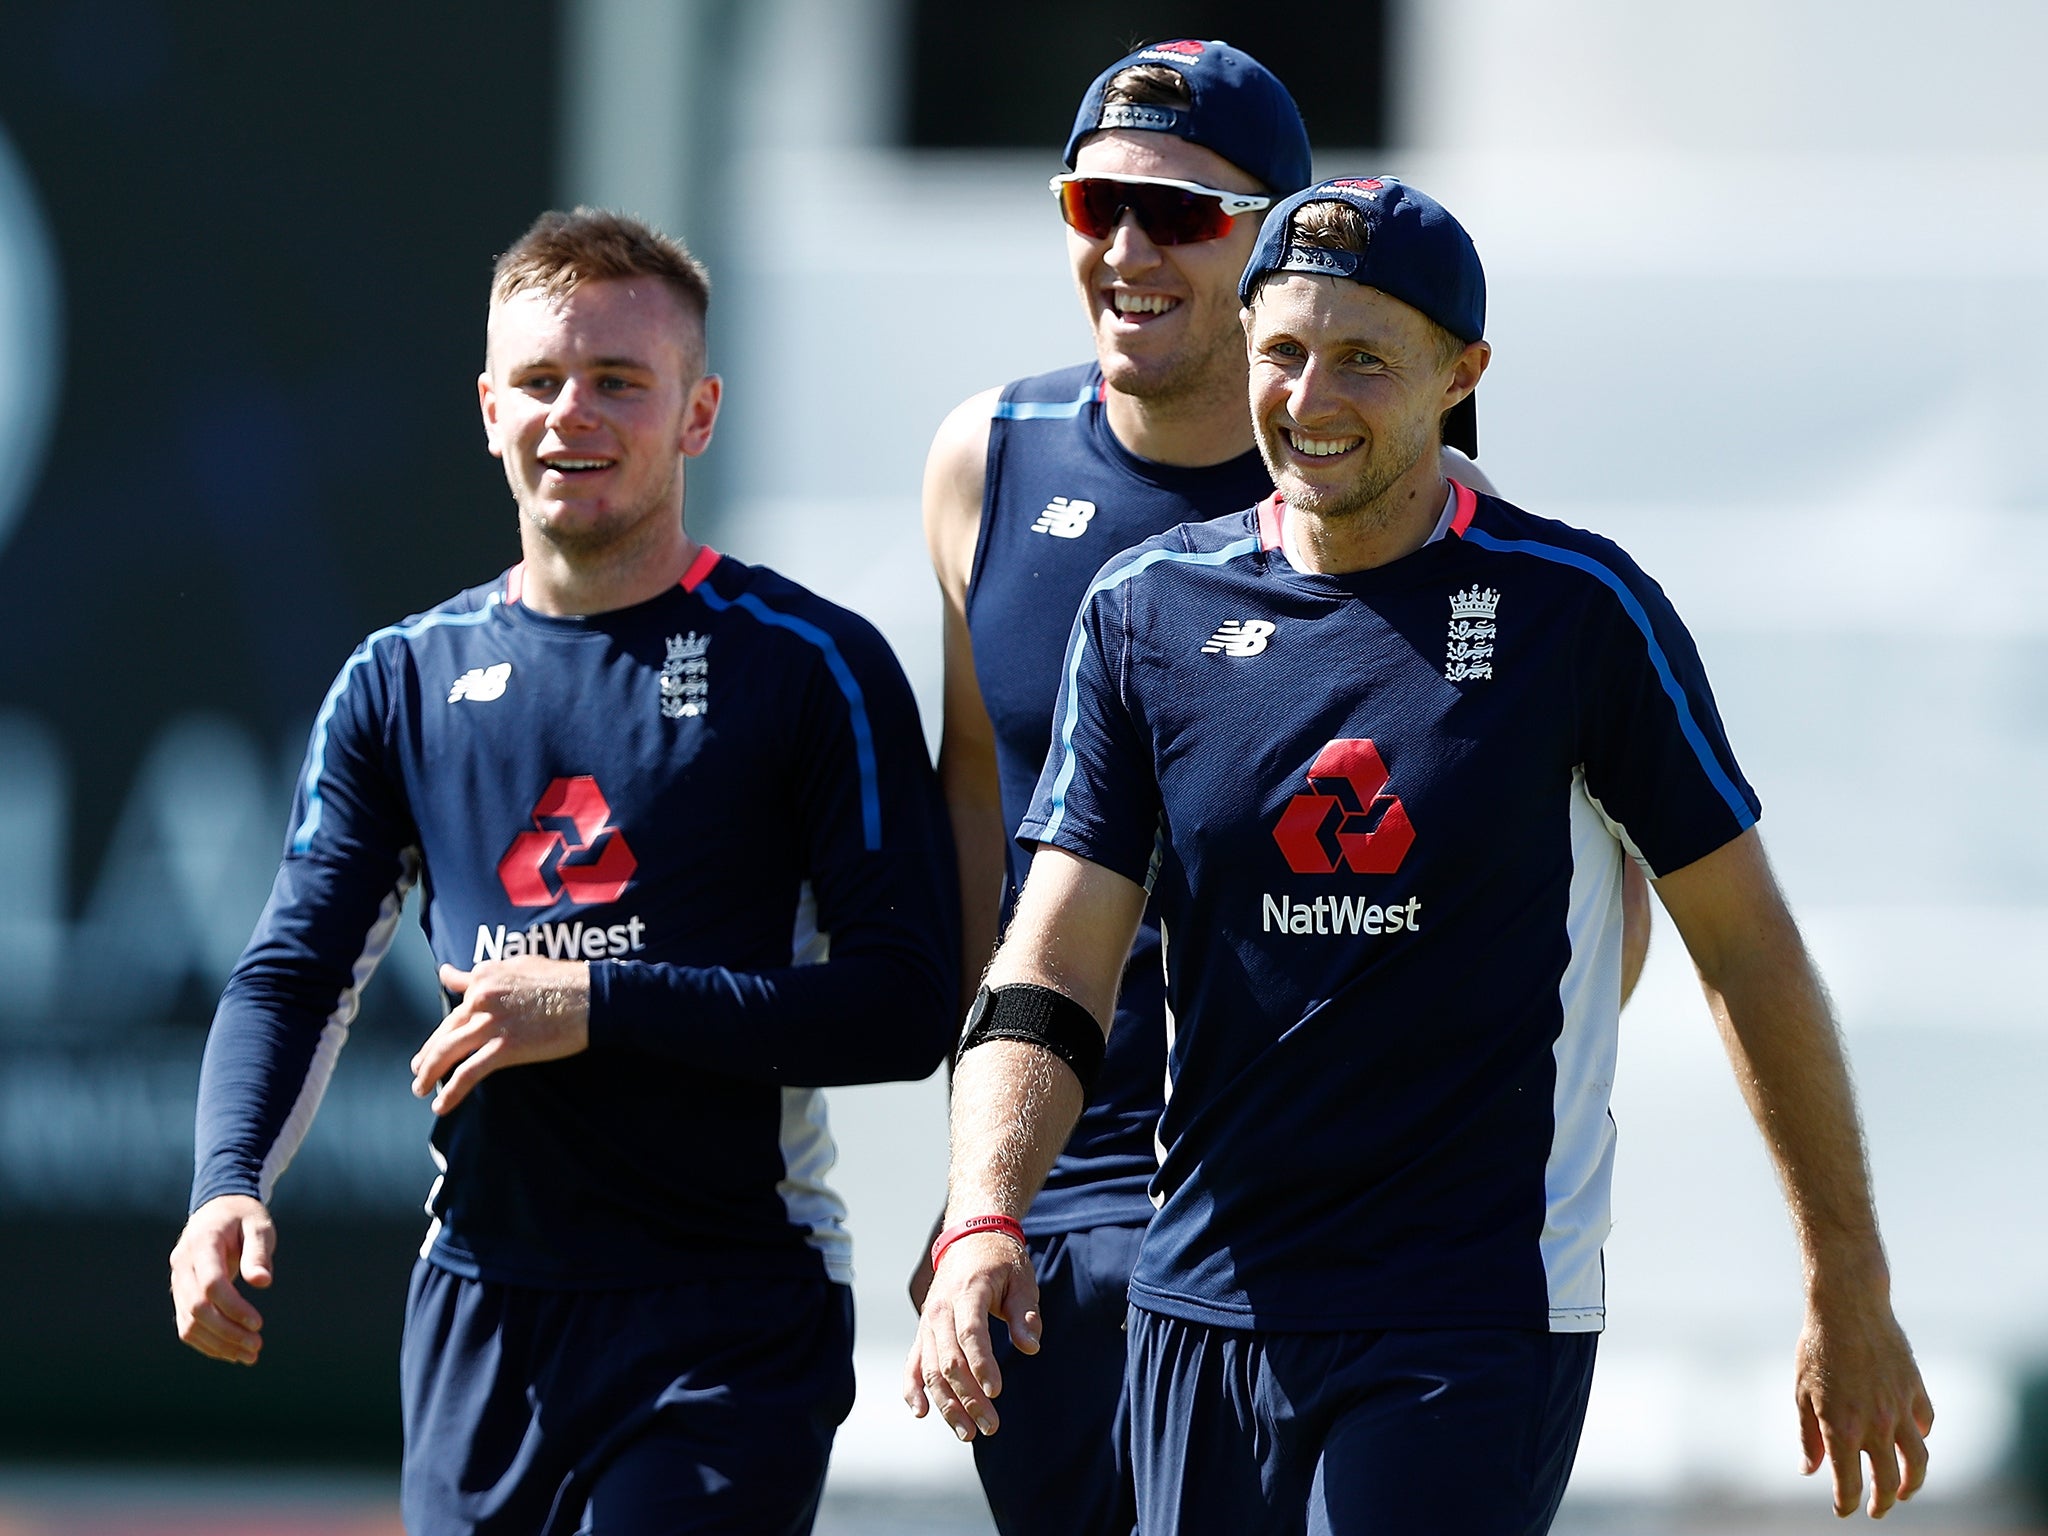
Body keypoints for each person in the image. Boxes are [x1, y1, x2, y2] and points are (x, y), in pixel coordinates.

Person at [908, 178, 1933, 1533]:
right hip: (1205, 1297)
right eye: (1282, 352)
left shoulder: (1579, 611)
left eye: (1364, 360)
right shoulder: (1148, 613)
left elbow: (1745, 946)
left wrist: (1845, 1281)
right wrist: (986, 1215)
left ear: (1463, 376)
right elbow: (1050, 962)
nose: (1310, 397)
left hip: (1471, 1305)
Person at [914, 40, 1648, 1536]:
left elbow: (1594, 901)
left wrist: (1389, 1101)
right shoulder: (986, 460)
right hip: (1064, 1177)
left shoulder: (1412, 511)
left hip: (1273, 1212)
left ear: (1276, 245)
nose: (1127, 248)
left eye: (1181, 214)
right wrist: (983, 1173)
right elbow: (978, 808)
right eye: (1095, 204)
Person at [169, 208, 959, 1536]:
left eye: (618, 383)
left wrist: (601, 1005)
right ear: (489, 409)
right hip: (485, 1301)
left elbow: (905, 1002)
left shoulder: (809, 666)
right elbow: (294, 970)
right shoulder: (402, 680)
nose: (571, 414)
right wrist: (227, 1184)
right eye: (539, 381)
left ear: (697, 414)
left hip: (732, 1306)